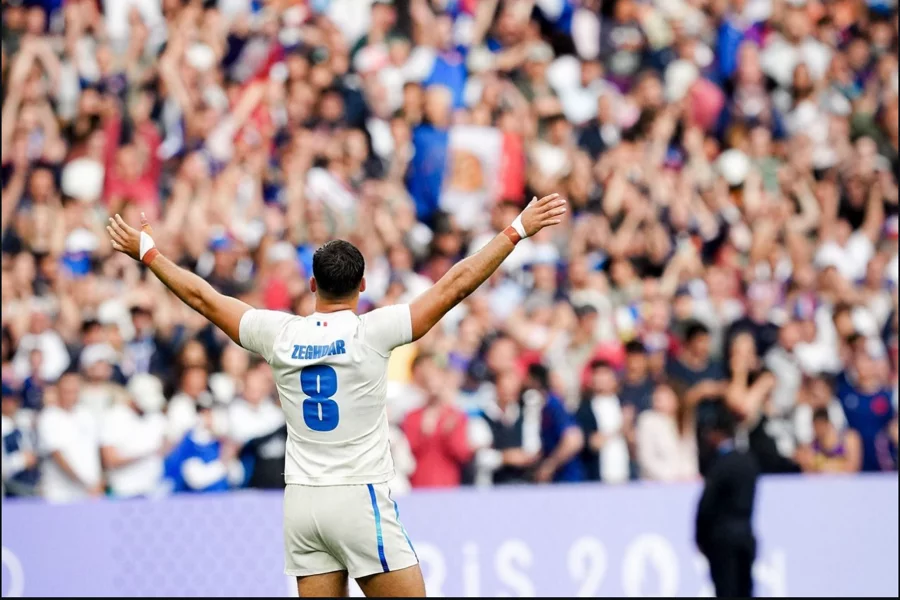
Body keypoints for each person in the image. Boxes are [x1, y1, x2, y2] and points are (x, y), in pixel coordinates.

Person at [105, 193, 567, 597]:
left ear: (312, 285)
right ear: (363, 287)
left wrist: (148, 252)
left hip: (302, 502)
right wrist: (517, 229)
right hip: (357, 496)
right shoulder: (373, 331)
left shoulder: (279, 334)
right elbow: (456, 283)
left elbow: (204, 297)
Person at [695, 404, 759, 599]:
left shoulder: (720, 465)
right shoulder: (748, 461)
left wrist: (700, 536)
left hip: (723, 538)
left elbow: (706, 505)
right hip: (746, 535)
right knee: (745, 589)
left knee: (726, 590)